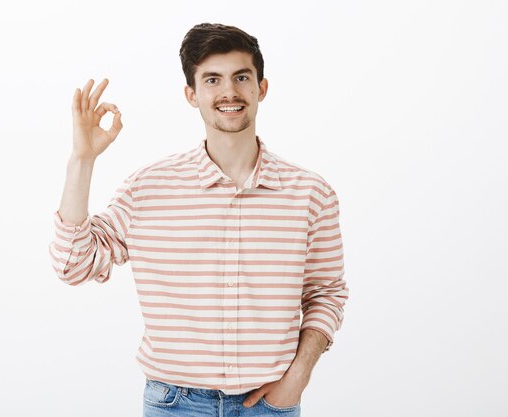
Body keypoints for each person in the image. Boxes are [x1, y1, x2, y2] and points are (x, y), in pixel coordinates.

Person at [49, 22, 349, 417]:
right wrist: (82, 160)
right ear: (192, 94)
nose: (229, 92)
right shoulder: (148, 188)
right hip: (175, 404)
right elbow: (73, 264)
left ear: (262, 88)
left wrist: (298, 375)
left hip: (269, 404)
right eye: (212, 80)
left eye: (241, 77)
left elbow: (326, 293)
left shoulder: (311, 193)